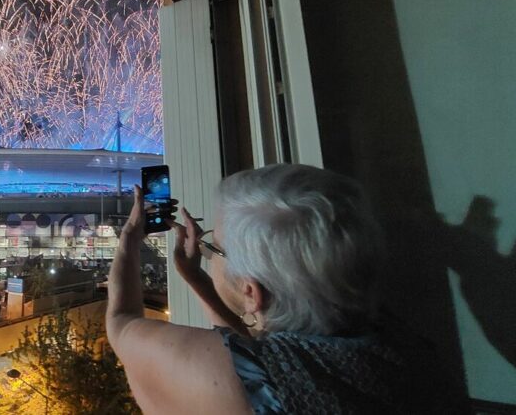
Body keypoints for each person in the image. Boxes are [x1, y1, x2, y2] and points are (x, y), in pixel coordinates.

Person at [107, 164, 452, 414]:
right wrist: (197, 279)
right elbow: (259, 355)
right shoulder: (402, 346)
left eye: (216, 246)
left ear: (251, 293)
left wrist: (130, 240)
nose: (207, 248)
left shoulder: (245, 388)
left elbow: (121, 324)